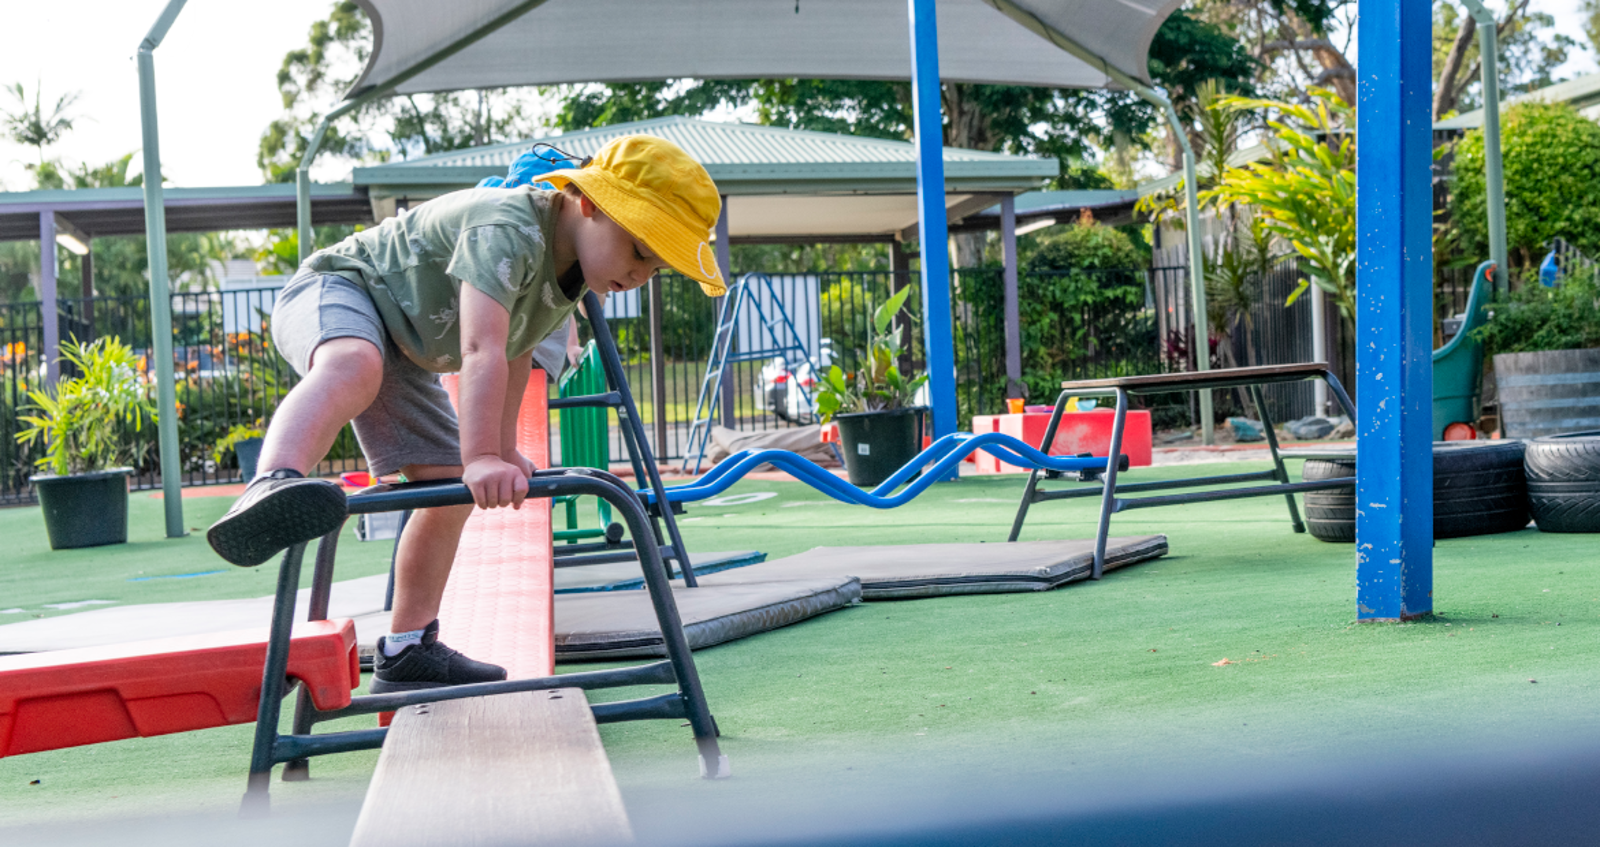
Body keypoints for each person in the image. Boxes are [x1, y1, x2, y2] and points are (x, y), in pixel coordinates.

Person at [206, 135, 725, 692]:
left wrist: (500, 451)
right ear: (590, 204)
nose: (642, 272)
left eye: (659, 265)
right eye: (641, 249)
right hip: (341, 287)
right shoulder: (506, 226)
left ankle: (407, 649)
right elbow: (481, 348)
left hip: (403, 348)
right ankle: (273, 480)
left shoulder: (572, 274)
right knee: (354, 363)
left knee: (447, 491)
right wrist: (480, 455)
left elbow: (516, 351)